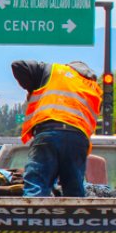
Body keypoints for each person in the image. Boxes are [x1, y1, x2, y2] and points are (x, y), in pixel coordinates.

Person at [12, 60, 102, 197]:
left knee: (36, 187)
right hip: (78, 139)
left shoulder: (54, 70)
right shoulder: (94, 87)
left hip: (49, 132)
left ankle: (32, 210)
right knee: (74, 192)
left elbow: (18, 66)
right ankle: (74, 211)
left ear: (70, 67)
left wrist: (33, 89)